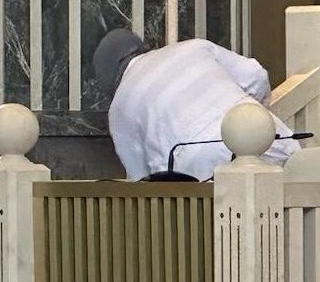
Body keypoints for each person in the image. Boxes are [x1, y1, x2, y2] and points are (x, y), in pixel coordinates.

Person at [94, 27, 301, 181]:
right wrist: (250, 120)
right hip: (271, 140)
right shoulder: (193, 46)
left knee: (231, 235)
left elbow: (139, 178)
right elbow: (256, 75)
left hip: (202, 172)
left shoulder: (119, 107)